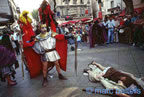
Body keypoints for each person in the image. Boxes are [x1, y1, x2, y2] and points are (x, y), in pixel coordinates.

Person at [18, 10, 42, 78]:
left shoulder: (28, 20)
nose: (26, 15)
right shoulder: (21, 20)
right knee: (30, 57)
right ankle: (33, 70)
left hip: (30, 36)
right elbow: (21, 29)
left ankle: (38, 69)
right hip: (27, 38)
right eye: (25, 14)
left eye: (26, 14)